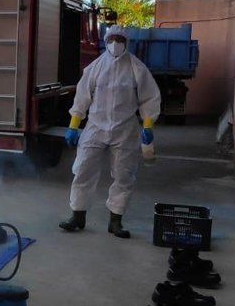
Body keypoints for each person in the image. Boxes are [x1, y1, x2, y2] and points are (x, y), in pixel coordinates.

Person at [60, 24, 162, 238]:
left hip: (124, 130)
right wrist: (73, 126)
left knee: (124, 175)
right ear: (105, 42)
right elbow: (82, 97)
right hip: (95, 127)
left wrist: (148, 125)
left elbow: (149, 98)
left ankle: (115, 221)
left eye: (119, 40)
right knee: (83, 170)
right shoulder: (95, 68)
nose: (115, 44)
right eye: (111, 39)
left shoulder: (137, 68)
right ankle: (77, 216)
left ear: (126, 43)